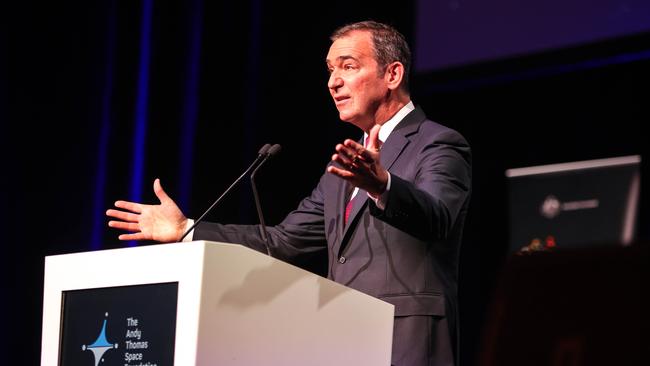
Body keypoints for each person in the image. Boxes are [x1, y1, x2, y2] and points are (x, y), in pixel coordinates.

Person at [107, 20, 471, 366]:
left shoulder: (437, 143)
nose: (333, 82)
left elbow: (437, 217)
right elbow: (282, 241)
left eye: (348, 66)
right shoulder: (343, 170)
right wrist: (187, 229)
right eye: (330, 69)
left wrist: (382, 185)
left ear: (392, 74)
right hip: (345, 339)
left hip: (406, 341)